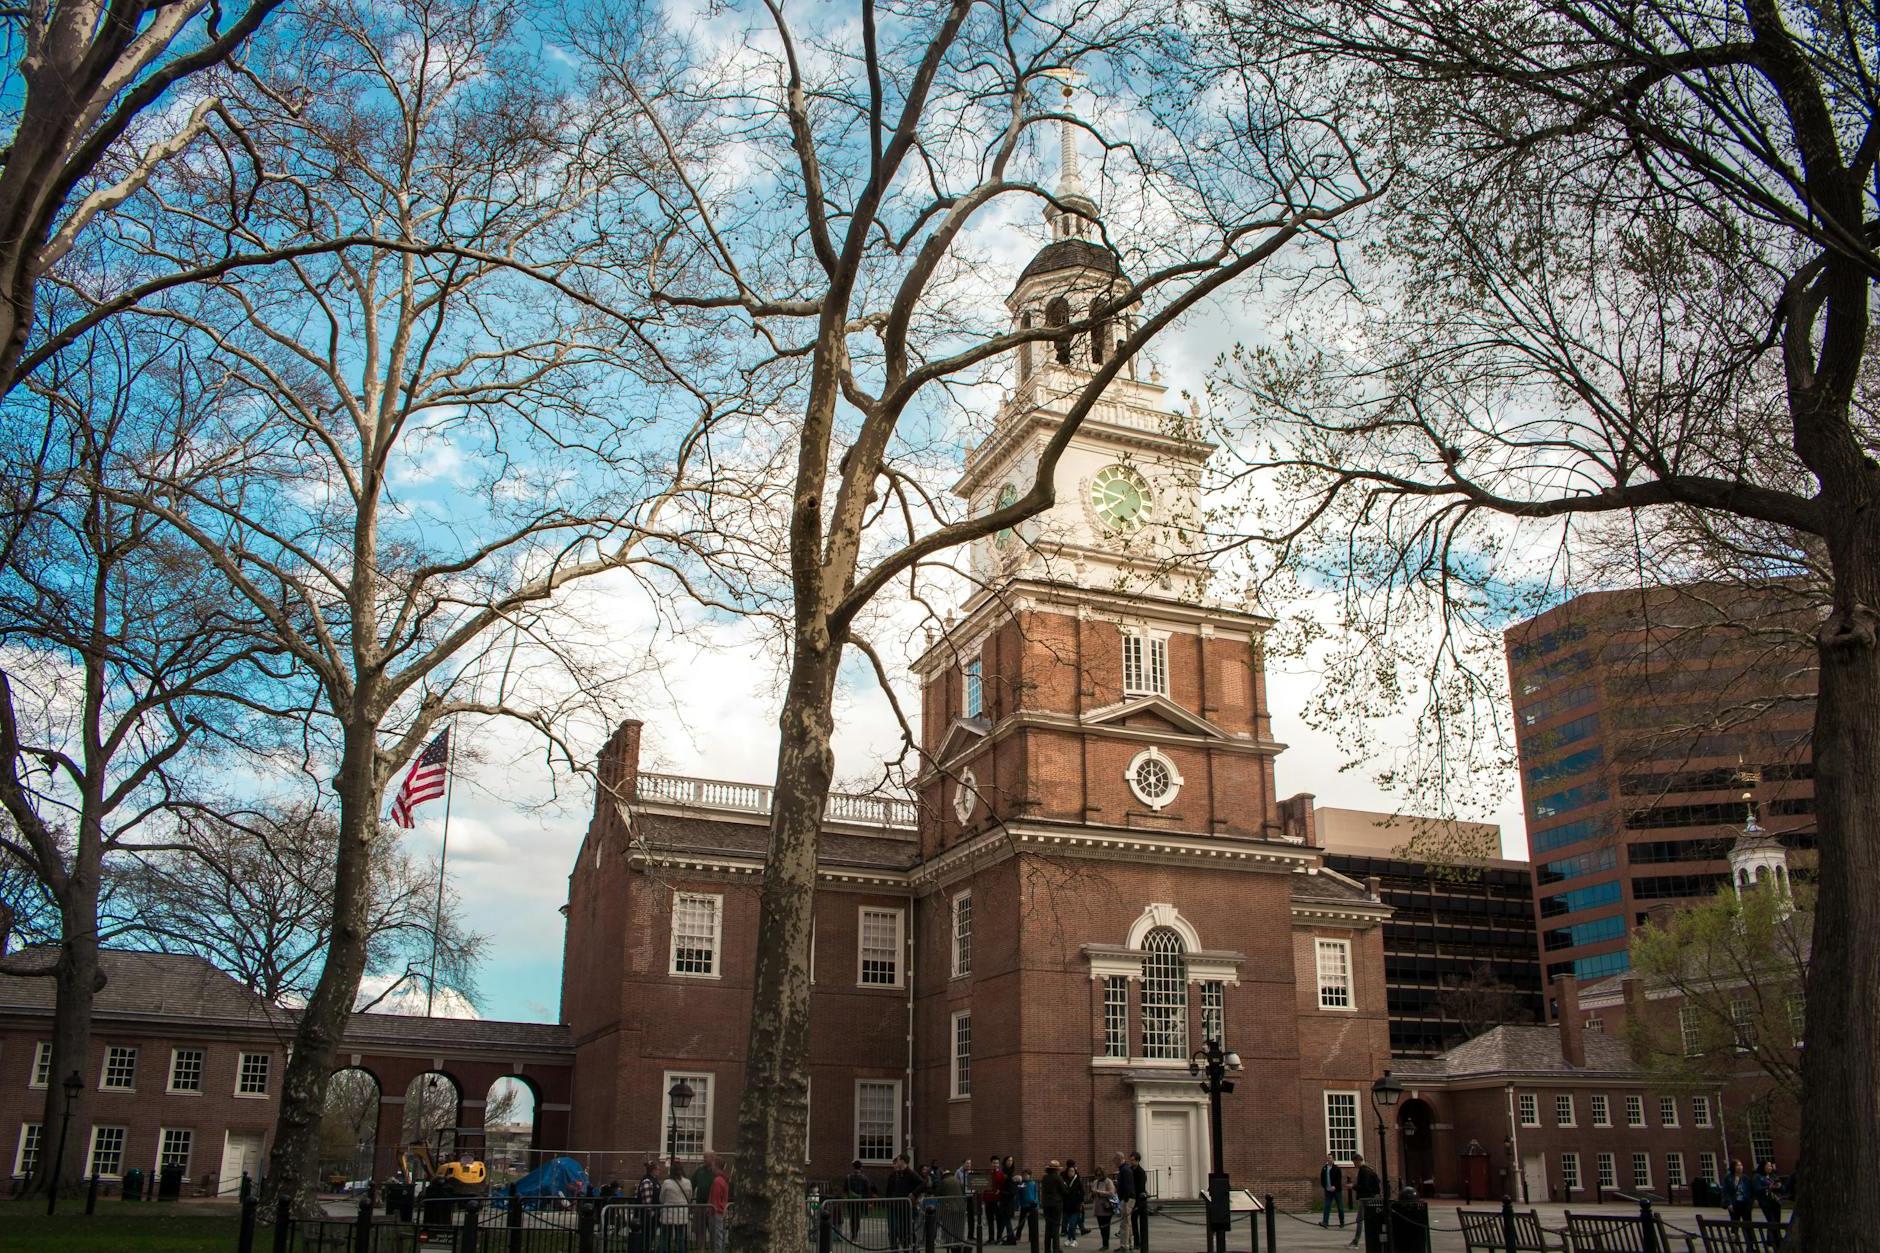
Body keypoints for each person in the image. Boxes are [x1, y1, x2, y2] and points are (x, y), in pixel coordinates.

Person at [886, 1153, 926, 1250]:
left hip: (904, 1206)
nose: (897, 1162)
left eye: (898, 1160)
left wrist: (913, 1193)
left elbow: (923, 1184)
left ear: (902, 1161)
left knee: (904, 1230)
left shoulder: (910, 1173)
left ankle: (907, 1248)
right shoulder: (897, 1174)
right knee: (894, 1229)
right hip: (894, 1205)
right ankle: (895, 1247)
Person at [659, 1160, 693, 1253]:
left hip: (667, 1213)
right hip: (681, 1213)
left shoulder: (666, 1183)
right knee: (680, 1237)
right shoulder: (688, 1182)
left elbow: (661, 1198)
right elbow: (689, 1197)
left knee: (664, 1237)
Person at [1349, 1153, 1380, 1249]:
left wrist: (1353, 1186)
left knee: (1360, 1220)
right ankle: (1374, 1240)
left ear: (1358, 1161)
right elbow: (1377, 1183)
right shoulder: (1370, 1169)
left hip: (1365, 1198)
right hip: (1372, 1197)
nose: (1354, 1165)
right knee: (1370, 1220)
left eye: (1354, 1163)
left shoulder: (1363, 1171)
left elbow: (1365, 1186)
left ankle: (1356, 1242)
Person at [845, 1159, 874, 1239]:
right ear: (861, 1167)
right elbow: (867, 1190)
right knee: (857, 1218)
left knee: (852, 1217)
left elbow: (845, 1189)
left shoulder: (848, 1177)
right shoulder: (864, 1178)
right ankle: (855, 1235)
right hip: (859, 1201)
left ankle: (853, 1232)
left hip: (850, 1201)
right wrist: (868, 1202)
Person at [1111, 1155, 1135, 1252]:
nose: (1115, 1164)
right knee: (1127, 1223)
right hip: (1128, 1198)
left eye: (1115, 1161)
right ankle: (1129, 1244)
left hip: (1127, 1199)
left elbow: (1128, 1186)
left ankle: (1124, 1246)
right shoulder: (1125, 1169)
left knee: (1124, 1224)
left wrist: (1124, 1199)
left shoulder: (1125, 1170)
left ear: (1119, 1160)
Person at [1125, 1153, 1149, 1253]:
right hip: (1131, 1199)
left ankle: (1141, 1243)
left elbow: (1141, 1188)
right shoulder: (1130, 1170)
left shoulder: (1141, 1172)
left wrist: (1137, 1203)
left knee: (1141, 1223)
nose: (1131, 1162)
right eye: (1131, 1160)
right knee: (1133, 1222)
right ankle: (1135, 1242)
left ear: (1138, 1160)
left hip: (1139, 1201)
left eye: (1133, 1160)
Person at [1090, 1167, 1117, 1251]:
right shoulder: (1095, 1182)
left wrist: (1099, 1192)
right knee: (1101, 1227)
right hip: (1098, 1207)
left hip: (1106, 1207)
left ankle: (1106, 1244)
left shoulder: (1108, 1181)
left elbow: (1111, 1193)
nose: (1098, 1176)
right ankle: (1104, 1243)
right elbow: (1093, 1192)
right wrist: (1092, 1194)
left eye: (1100, 1175)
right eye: (1097, 1175)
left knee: (1106, 1227)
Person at [707, 1162, 732, 1253]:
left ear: (717, 1167)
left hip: (716, 1212)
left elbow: (715, 1198)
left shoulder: (717, 1181)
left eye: (713, 1165)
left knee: (716, 1237)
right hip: (721, 1211)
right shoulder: (724, 1179)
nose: (712, 1168)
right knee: (720, 1236)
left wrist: (711, 1210)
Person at [1041, 1161, 1066, 1253]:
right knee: (1055, 1227)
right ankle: (1056, 1248)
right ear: (1056, 1170)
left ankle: (1047, 1249)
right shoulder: (1057, 1178)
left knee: (1048, 1227)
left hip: (1046, 1204)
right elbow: (1064, 1191)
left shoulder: (1045, 1178)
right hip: (1056, 1204)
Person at [1756, 1160, 1783, 1238]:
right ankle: (1777, 1240)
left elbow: (1781, 1187)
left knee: (1777, 1222)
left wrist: (1779, 1186)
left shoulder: (1773, 1176)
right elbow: (1757, 1189)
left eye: (1771, 1166)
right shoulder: (1758, 1177)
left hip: (1776, 1202)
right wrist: (1768, 1187)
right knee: (1772, 1221)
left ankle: (1770, 1240)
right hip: (1766, 1203)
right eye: (1768, 1166)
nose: (1770, 1168)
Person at [1319, 1154, 1346, 1228]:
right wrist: (1324, 1186)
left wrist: (1335, 1186)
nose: (1328, 1159)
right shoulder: (1324, 1168)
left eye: (1330, 1158)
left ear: (1333, 1159)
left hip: (1336, 1191)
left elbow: (1339, 1179)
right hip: (1328, 1191)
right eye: (1327, 1158)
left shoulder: (1336, 1168)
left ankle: (1342, 1222)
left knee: (1340, 1206)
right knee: (1327, 1206)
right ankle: (1325, 1222)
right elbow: (1322, 1178)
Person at [1725, 1160, 1755, 1224]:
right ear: (1733, 1167)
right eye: (1738, 1165)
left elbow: (1751, 1191)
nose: (1740, 1167)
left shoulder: (1746, 1178)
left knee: (1748, 1223)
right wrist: (1729, 1203)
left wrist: (1750, 1203)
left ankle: (1748, 1234)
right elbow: (1726, 1191)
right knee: (1735, 1223)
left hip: (1745, 1204)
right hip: (1734, 1204)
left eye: (1741, 1165)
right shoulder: (1728, 1178)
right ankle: (1735, 1234)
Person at [1063, 1159, 1085, 1246]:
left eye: (1072, 1171)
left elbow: (1082, 1192)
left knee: (1072, 1223)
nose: (1071, 1172)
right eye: (1069, 1171)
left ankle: (1074, 1240)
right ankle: (1069, 1239)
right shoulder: (1065, 1181)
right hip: (1067, 1205)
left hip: (1075, 1205)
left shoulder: (1077, 1181)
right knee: (1069, 1224)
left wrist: (1080, 1201)